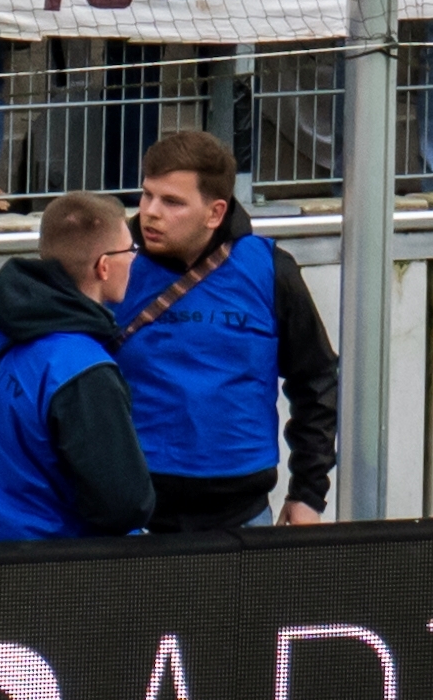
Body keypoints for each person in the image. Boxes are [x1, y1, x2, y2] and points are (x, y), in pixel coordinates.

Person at [108, 127, 340, 526]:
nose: (150, 212)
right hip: (133, 513)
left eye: (172, 201)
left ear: (215, 212)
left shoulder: (269, 269)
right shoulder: (110, 264)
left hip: (243, 513)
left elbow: (316, 381)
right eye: (147, 195)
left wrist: (308, 493)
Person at [0, 186, 158, 541]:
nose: (134, 258)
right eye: (130, 250)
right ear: (104, 266)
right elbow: (123, 504)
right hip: (52, 568)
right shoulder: (81, 369)